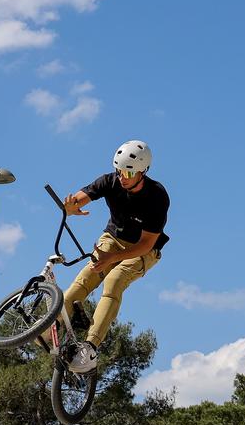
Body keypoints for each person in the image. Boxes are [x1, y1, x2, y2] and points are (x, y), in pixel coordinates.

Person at [59, 139, 170, 372]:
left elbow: (146, 244)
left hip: (143, 249)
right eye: (119, 170)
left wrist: (112, 259)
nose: (122, 177)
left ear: (142, 172)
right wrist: (70, 207)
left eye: (128, 173)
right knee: (83, 281)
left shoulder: (157, 196)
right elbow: (80, 197)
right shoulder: (109, 181)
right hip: (113, 239)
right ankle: (48, 330)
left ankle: (90, 348)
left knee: (114, 280)